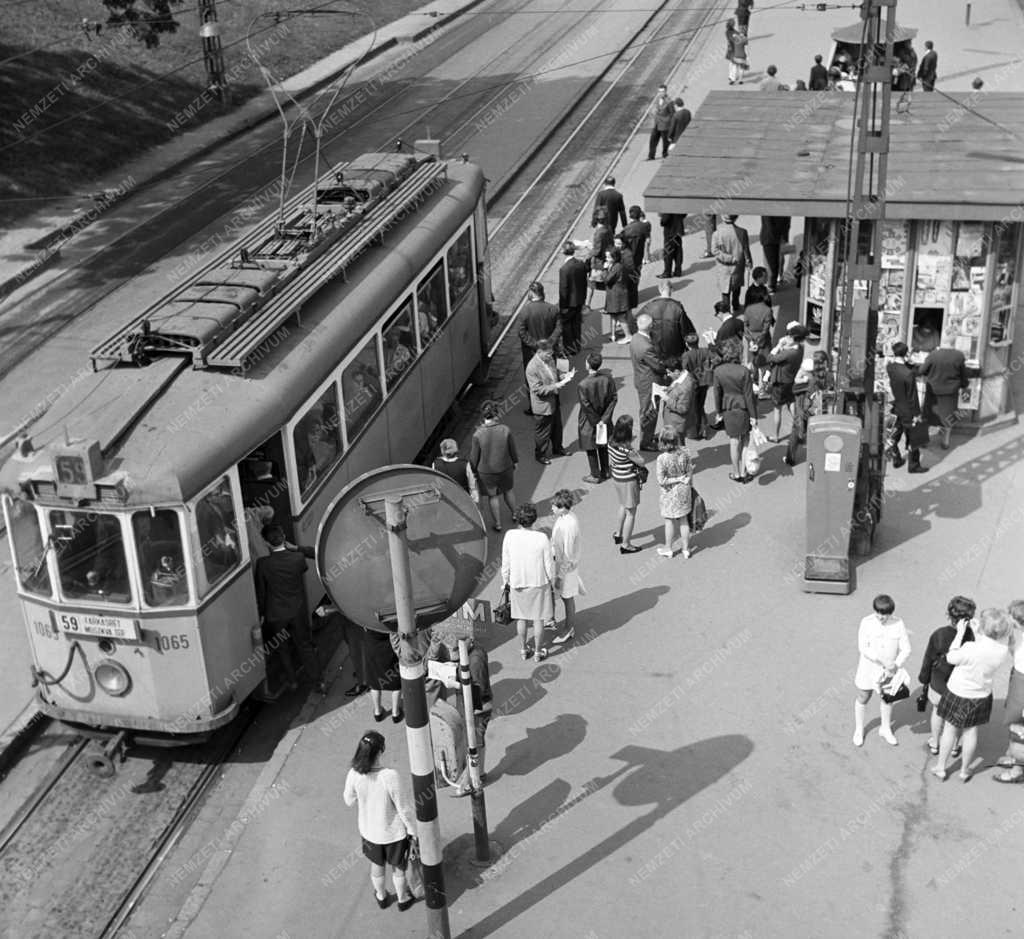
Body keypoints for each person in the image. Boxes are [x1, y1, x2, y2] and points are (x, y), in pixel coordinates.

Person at [932, 608, 1014, 781]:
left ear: (984, 628)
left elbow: (951, 657)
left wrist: (960, 634)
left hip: (958, 693)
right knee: (970, 732)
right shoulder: (1002, 649)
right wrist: (979, 633)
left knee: (949, 730)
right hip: (981, 696)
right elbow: (985, 649)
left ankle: (941, 767)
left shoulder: (970, 648)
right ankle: (964, 770)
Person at [343, 731, 419, 911]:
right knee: (398, 867)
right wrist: (412, 831)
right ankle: (402, 898)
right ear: (379, 752)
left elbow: (348, 800)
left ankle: (381, 896)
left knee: (376, 866)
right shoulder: (389, 776)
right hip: (393, 833)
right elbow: (404, 808)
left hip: (370, 832)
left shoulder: (354, 774)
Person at [255, 524, 324, 695]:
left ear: (266, 543)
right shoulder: (298, 558)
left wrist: (262, 614)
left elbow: (261, 593)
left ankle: (292, 681)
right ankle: (318, 682)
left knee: (282, 648)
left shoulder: (263, 564)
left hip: (276, 614)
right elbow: (303, 569)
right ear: (284, 536)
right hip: (298, 611)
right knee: (305, 646)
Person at [918, 596, 977, 760]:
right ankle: (955, 746)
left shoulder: (939, 634)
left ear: (949, 614)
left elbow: (928, 659)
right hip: (960, 686)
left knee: (937, 712)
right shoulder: (971, 636)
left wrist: (924, 679)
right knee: (956, 717)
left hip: (938, 683)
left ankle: (935, 743)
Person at [853, 595, 911, 747]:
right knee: (863, 696)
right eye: (878, 612)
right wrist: (882, 660)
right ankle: (859, 729)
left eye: (884, 614)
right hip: (868, 669)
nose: (880, 617)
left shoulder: (898, 623)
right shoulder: (866, 622)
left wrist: (896, 664)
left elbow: (906, 648)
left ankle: (885, 729)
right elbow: (863, 647)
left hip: (888, 672)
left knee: (887, 699)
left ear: (890, 612)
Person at [501, 503, 555, 661]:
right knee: (538, 618)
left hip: (517, 583)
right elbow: (548, 565)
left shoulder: (510, 535)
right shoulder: (542, 538)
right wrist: (552, 581)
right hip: (538, 583)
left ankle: (524, 649)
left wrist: (505, 582)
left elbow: (506, 562)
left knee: (521, 617)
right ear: (534, 520)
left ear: (518, 519)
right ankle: (538, 652)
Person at [712, 337, 757, 483]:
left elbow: (717, 393)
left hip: (728, 408)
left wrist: (718, 411)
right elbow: (749, 395)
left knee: (733, 441)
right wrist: (754, 415)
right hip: (743, 408)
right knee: (744, 440)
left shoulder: (718, 371)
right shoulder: (744, 371)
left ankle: (736, 473)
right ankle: (744, 473)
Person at [469, 400, 518, 531]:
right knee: (508, 491)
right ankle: (515, 514)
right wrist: (515, 461)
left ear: (483, 415)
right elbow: (512, 449)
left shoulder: (477, 434)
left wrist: (473, 471)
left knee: (493, 496)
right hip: (505, 467)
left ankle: (498, 524)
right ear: (496, 413)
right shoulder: (505, 430)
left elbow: (474, 457)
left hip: (486, 473)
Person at [526, 339, 574, 465]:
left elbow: (555, 372)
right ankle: (540, 454)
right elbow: (538, 390)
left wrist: (563, 376)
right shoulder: (532, 368)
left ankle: (558, 448)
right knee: (543, 432)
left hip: (554, 400)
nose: (550, 356)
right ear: (540, 352)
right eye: (548, 354)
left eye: (551, 353)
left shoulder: (549, 359)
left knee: (557, 427)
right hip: (543, 405)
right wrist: (557, 385)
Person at [518, 282, 562, 411]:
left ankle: (534, 407)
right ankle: (555, 401)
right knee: (551, 374)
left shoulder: (525, 311)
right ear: (543, 293)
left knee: (533, 378)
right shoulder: (552, 309)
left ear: (531, 293)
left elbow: (521, 332)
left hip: (531, 353)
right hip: (549, 351)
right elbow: (559, 328)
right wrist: (549, 343)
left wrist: (535, 345)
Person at [885, 341, 927, 473]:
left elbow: (901, 364)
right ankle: (914, 465)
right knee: (915, 438)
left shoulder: (890, 368)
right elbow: (912, 397)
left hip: (895, 407)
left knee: (892, 435)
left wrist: (906, 359)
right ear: (906, 353)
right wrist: (917, 413)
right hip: (908, 411)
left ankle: (896, 458)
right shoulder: (908, 374)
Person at [994, 599, 1024, 782]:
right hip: (1018, 684)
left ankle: (1016, 771)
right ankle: (1014, 757)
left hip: (1022, 690)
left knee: (1019, 730)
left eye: (1011, 616)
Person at [630, 312, 669, 451]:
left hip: (642, 379)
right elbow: (658, 365)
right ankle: (646, 442)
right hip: (649, 382)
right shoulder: (645, 347)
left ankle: (648, 436)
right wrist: (667, 369)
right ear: (650, 326)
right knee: (650, 411)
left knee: (647, 410)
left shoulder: (635, 338)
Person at [550, 489, 584, 644]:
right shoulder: (564, 517)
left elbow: (568, 555)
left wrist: (560, 576)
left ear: (562, 507)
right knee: (563, 596)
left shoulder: (569, 525)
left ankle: (569, 628)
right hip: (560, 563)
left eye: (554, 506)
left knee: (567, 598)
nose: (552, 508)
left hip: (566, 568)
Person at [577, 351, 617, 483]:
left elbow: (586, 405)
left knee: (591, 447)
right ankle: (605, 470)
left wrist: (596, 421)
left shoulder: (583, 384)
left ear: (588, 365)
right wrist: (604, 419)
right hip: (604, 418)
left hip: (589, 420)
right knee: (602, 444)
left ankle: (595, 475)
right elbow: (613, 399)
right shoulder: (608, 379)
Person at [785, 349, 829, 466]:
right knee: (816, 431)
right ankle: (816, 458)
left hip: (803, 403)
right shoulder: (824, 375)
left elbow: (795, 385)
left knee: (796, 429)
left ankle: (790, 458)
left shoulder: (806, 370)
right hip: (816, 406)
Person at [655, 426, 694, 558]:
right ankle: (686, 549)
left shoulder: (662, 458)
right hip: (684, 490)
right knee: (684, 520)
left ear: (663, 441)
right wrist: (686, 479)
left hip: (670, 493)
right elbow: (690, 470)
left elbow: (662, 480)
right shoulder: (686, 452)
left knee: (669, 520)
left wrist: (676, 479)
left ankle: (668, 548)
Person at [920, 343, 968, 449]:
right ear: (954, 343)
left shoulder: (933, 355)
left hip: (933, 391)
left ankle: (924, 440)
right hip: (950, 393)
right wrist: (964, 384)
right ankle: (945, 441)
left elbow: (922, 370)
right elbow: (964, 375)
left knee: (928, 415)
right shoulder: (959, 356)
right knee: (948, 416)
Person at [608, 415, 645, 554]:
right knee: (631, 512)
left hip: (617, 478)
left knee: (622, 505)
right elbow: (641, 461)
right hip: (628, 481)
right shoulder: (627, 451)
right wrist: (632, 449)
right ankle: (626, 544)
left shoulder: (610, 443)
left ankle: (618, 533)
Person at [766, 323, 806, 441]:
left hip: (780, 382)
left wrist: (778, 345)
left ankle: (776, 436)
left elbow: (770, 358)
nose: (787, 337)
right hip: (791, 381)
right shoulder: (799, 349)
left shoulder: (788, 353)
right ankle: (801, 431)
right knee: (791, 404)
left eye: (789, 336)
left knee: (777, 409)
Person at [641, 280, 695, 361]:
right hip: (675, 351)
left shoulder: (648, 307)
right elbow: (687, 330)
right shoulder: (678, 307)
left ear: (659, 290)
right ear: (672, 290)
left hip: (655, 351)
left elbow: (641, 329)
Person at [712, 215, 752, 312]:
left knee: (725, 291)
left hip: (723, 267)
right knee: (736, 287)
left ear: (722, 218)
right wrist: (749, 260)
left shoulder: (717, 234)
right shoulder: (742, 232)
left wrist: (729, 258)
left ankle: (727, 311)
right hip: (738, 266)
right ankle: (736, 305)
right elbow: (746, 249)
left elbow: (714, 251)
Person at [681, 332, 713, 440]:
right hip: (704, 382)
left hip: (693, 384)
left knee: (694, 408)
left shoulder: (686, 356)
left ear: (687, 343)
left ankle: (697, 431)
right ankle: (704, 427)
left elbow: (684, 370)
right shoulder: (705, 351)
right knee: (700, 405)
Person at [558, 241, 588, 355]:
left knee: (567, 327)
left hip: (569, 303)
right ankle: (577, 346)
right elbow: (584, 283)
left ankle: (569, 349)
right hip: (579, 300)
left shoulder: (564, 269)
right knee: (576, 324)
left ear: (563, 251)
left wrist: (563, 307)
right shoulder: (580, 264)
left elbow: (563, 289)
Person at [742, 283, 774, 374]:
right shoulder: (767, 310)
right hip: (763, 339)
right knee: (764, 364)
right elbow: (765, 329)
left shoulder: (748, 309)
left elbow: (745, 326)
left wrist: (750, 341)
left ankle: (753, 380)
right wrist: (758, 343)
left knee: (752, 362)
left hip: (751, 336)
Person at [603, 247, 632, 344]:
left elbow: (607, 280)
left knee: (619, 316)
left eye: (608, 257)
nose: (606, 259)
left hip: (616, 296)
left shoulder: (616, 267)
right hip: (616, 294)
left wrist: (605, 269)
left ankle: (628, 336)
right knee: (613, 315)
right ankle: (613, 334)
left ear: (614, 257)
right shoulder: (618, 265)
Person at [587, 208, 614, 309]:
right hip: (607, 259)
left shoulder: (598, 233)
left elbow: (597, 251)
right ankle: (608, 305)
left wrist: (588, 251)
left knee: (591, 284)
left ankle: (588, 305)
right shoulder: (608, 228)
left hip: (598, 263)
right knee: (607, 285)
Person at [661, 361, 695, 440]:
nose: (668, 375)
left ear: (677, 371)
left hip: (676, 424)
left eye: (669, 372)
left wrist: (667, 400)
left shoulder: (685, 387)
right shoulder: (682, 378)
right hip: (673, 421)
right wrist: (668, 389)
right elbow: (676, 388)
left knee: (677, 447)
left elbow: (683, 408)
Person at [759, 216, 790, 291]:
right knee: (771, 263)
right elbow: (769, 224)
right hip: (770, 238)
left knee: (774, 261)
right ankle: (771, 284)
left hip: (773, 237)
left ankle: (773, 282)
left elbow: (787, 221)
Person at [648, 84, 675, 160]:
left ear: (666, 91)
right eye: (659, 91)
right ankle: (651, 156)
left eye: (662, 91)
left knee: (665, 141)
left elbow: (673, 114)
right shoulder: (657, 99)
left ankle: (665, 154)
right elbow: (656, 108)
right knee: (653, 140)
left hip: (665, 125)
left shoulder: (669, 102)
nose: (660, 93)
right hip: (657, 123)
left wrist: (669, 123)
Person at [620, 205, 652, 269]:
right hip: (639, 256)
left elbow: (622, 243)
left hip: (628, 257)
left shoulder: (626, 229)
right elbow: (647, 238)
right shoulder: (644, 227)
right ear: (639, 215)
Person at [659, 213, 685, 279]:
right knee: (678, 252)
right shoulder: (681, 203)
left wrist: (662, 221)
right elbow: (684, 213)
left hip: (670, 231)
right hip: (679, 229)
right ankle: (678, 271)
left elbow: (665, 219)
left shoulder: (668, 204)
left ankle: (667, 272)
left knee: (668, 253)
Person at [725, 19, 748, 85]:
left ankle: (732, 77)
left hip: (732, 50)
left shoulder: (728, 32)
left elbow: (733, 39)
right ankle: (737, 79)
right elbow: (745, 42)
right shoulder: (734, 33)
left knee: (733, 64)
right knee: (738, 66)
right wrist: (741, 36)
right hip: (737, 52)